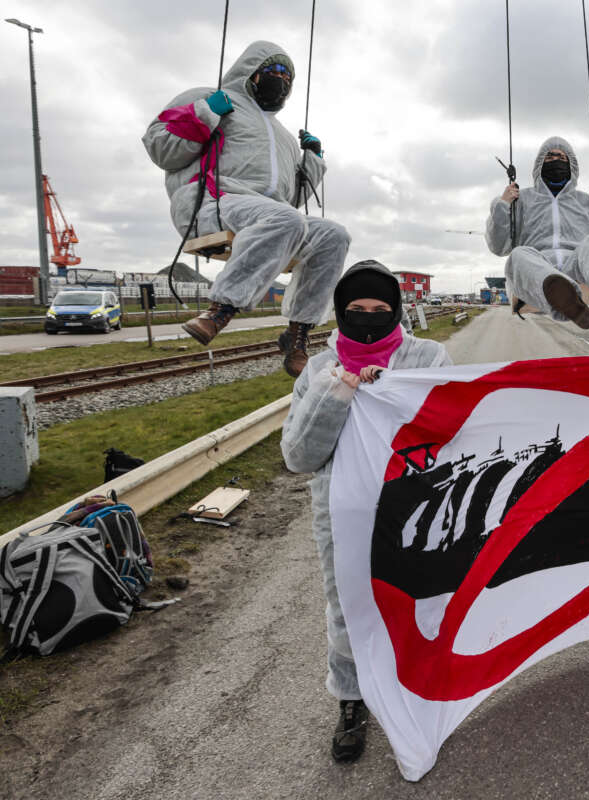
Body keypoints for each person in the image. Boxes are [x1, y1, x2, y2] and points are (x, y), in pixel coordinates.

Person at [281, 260, 452, 762]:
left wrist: (393, 397)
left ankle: (419, 690)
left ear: (397, 310)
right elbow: (298, 457)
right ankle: (352, 700)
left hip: (416, 509)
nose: (370, 318)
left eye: (381, 310)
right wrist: (340, 392)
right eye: (357, 310)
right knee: (349, 608)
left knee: (422, 598)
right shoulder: (318, 368)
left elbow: (450, 430)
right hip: (344, 515)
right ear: (340, 313)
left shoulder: (426, 356)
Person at [143, 40, 350, 377]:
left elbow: (291, 198)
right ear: (251, 72)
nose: (281, 80)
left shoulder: (283, 136)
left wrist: (313, 161)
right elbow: (160, 147)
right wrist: (206, 112)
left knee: (334, 234)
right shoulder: (210, 97)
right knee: (284, 218)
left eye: (288, 76)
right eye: (274, 71)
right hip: (211, 202)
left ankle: (297, 335)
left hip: (268, 215)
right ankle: (220, 309)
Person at [485, 136, 589, 329]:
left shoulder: (587, 201)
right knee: (518, 255)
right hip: (537, 269)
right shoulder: (521, 199)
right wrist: (502, 205)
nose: (555, 160)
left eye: (561, 157)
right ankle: (563, 297)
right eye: (549, 158)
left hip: (576, 267)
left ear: (572, 165)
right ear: (539, 165)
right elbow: (498, 247)